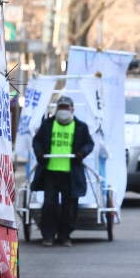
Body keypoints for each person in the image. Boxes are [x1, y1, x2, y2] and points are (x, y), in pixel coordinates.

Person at [31, 95, 94, 247]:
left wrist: (81, 153)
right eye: (61, 107)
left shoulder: (81, 127)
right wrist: (39, 153)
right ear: (56, 109)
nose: (64, 110)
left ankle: (65, 236)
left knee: (69, 207)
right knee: (49, 205)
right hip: (51, 173)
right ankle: (48, 236)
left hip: (70, 174)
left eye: (66, 107)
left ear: (72, 109)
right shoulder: (47, 125)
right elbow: (37, 140)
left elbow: (89, 143)